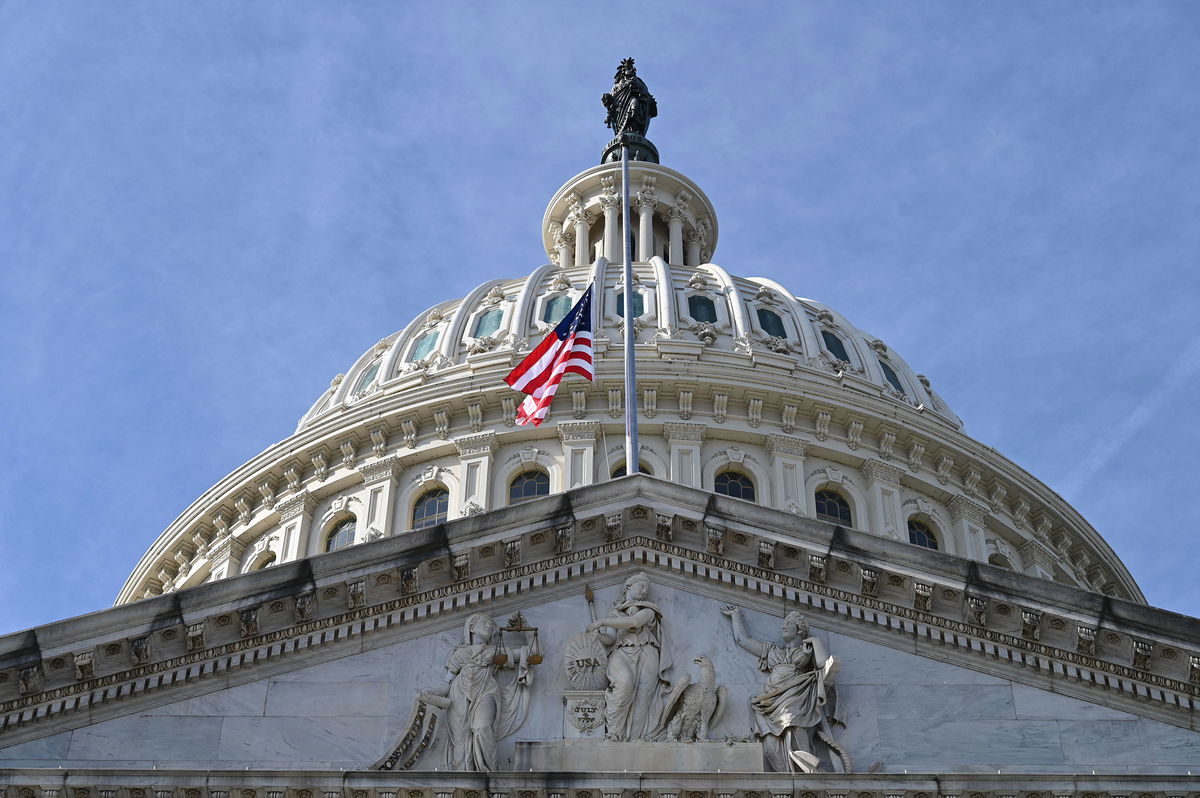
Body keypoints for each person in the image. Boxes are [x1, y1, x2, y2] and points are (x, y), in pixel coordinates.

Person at [720, 605, 843, 773]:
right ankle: (784, 774)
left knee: (793, 721)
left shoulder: (806, 651)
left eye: (789, 623)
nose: (783, 626)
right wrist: (735, 616)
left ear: (799, 629)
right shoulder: (772, 650)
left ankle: (805, 771)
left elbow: (823, 664)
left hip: (796, 695)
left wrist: (815, 641)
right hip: (770, 701)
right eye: (784, 623)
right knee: (770, 743)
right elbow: (743, 640)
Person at [420, 612, 530, 771]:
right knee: (460, 741)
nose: (490, 627)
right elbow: (446, 684)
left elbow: (531, 654)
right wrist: (428, 693)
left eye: (491, 627)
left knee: (482, 727)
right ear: (471, 627)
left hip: (486, 690)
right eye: (485, 624)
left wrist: (527, 630)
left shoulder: (494, 651)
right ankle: (463, 779)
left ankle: (491, 775)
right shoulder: (459, 654)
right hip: (459, 693)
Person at [586, 572, 671, 741]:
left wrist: (602, 622)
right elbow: (610, 638)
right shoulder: (614, 613)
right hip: (621, 652)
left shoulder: (649, 610)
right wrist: (596, 637)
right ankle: (614, 733)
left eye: (647, 588)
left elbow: (634, 622)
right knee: (624, 682)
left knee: (642, 696)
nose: (645, 591)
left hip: (647, 652)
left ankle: (634, 739)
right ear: (628, 587)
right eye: (641, 586)